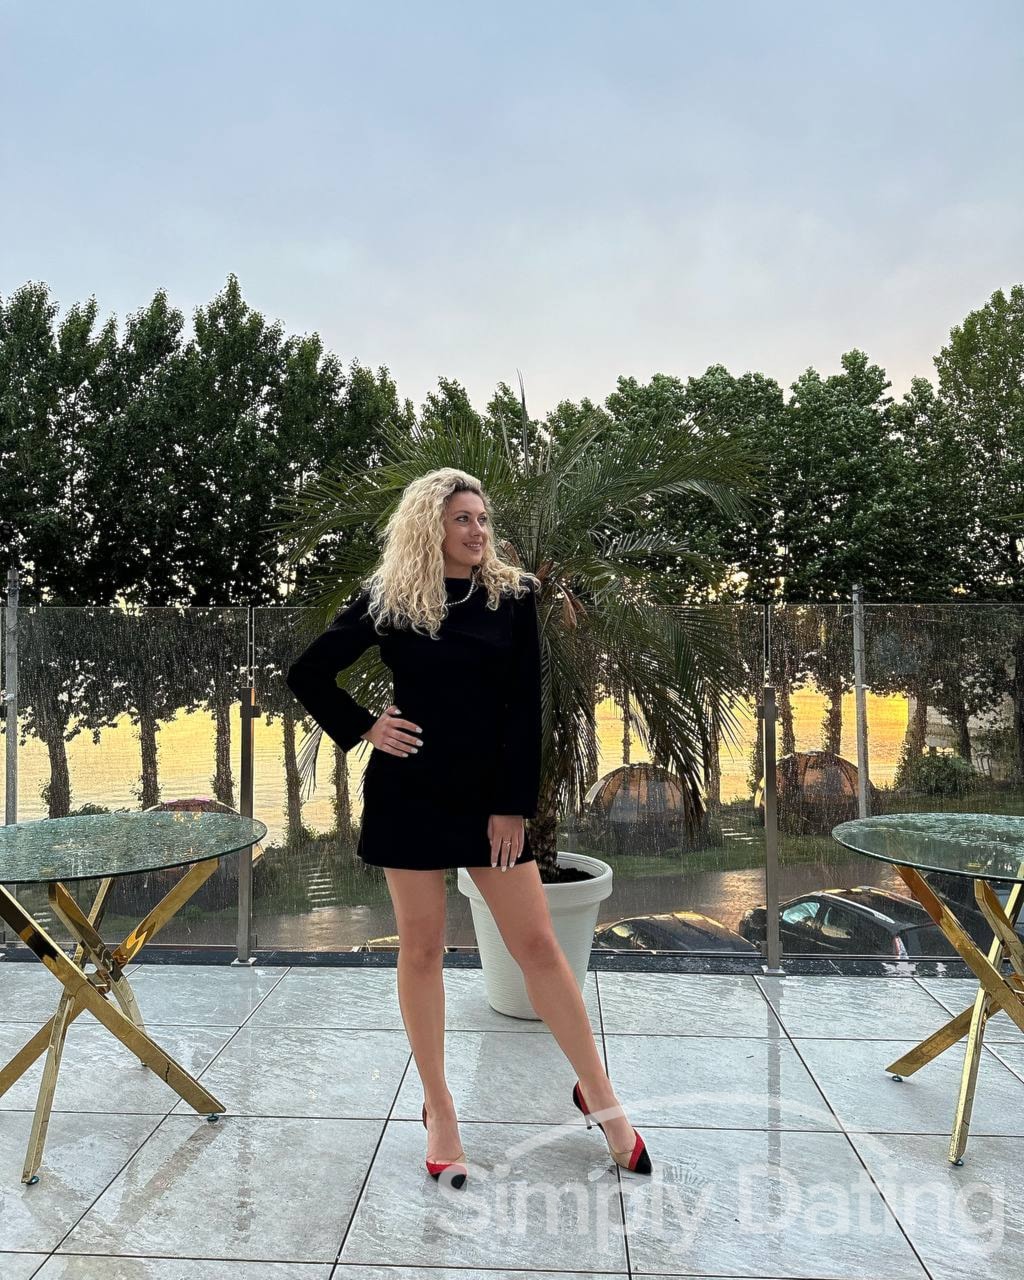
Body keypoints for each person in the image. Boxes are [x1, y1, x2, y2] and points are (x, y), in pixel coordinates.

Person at [285, 468, 651, 1188]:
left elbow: (524, 708)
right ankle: (439, 1106)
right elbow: (309, 673)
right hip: (410, 794)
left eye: (482, 518)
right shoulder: (391, 599)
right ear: (431, 526)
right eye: (463, 519)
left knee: (538, 946)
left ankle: (599, 1095)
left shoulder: (512, 598)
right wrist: (365, 727)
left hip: (490, 801)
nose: (478, 530)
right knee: (421, 949)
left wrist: (512, 804)